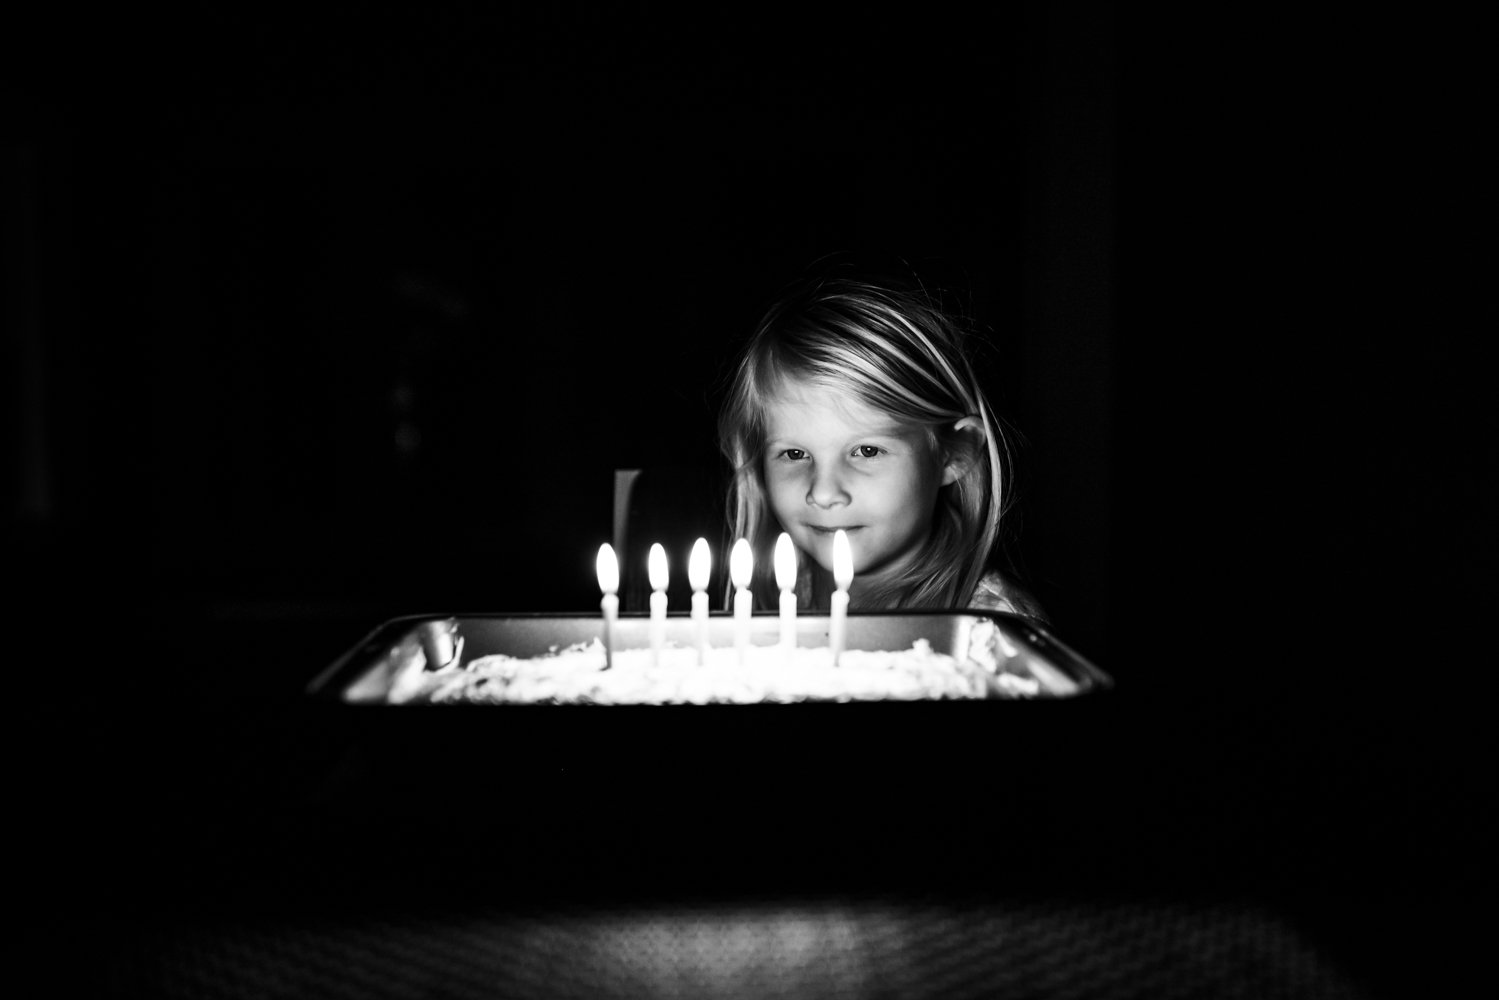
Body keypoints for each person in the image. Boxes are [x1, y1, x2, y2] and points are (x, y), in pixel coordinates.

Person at [717, 269, 1046, 619]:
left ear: (954, 453)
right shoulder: (787, 590)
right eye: (795, 454)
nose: (825, 493)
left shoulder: (990, 630)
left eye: (867, 451)